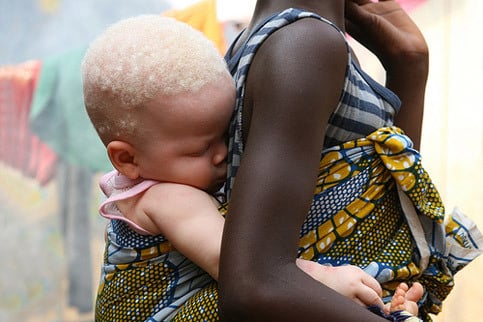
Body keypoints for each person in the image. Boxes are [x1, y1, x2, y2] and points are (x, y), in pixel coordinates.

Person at [82, 13, 424, 322]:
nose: (222, 154)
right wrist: (327, 281)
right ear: (127, 159)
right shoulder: (167, 198)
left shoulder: (152, 177)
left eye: (224, 134)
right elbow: (230, 262)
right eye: (200, 149)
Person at [219, 0, 482, 321]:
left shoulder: (269, 40)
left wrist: (408, 66)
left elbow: (382, 211)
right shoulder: (307, 43)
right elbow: (254, 283)